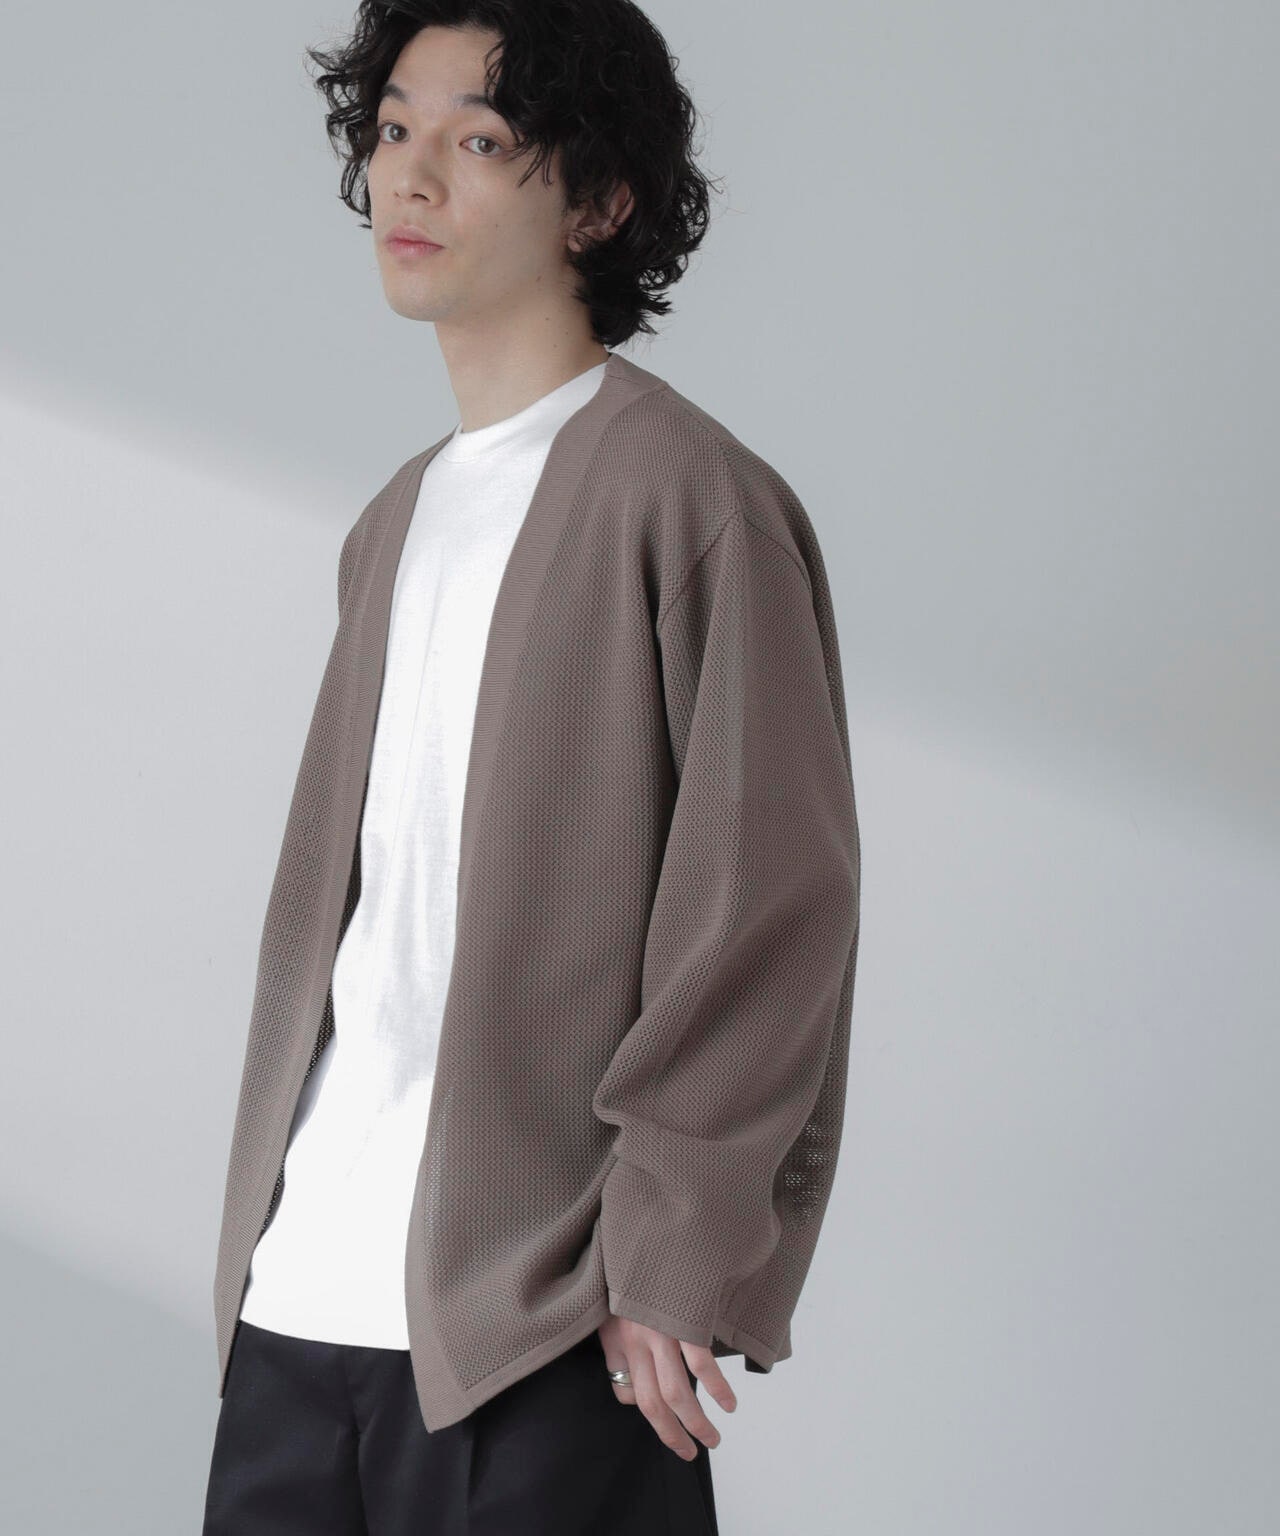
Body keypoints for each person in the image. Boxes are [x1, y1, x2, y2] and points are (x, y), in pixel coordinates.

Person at [202, 2, 862, 1532]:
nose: (411, 175)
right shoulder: (395, 521)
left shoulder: (693, 501)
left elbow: (769, 905)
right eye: (392, 129)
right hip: (299, 1307)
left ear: (601, 200)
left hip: (542, 1322)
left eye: (480, 139)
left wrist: (675, 1253)